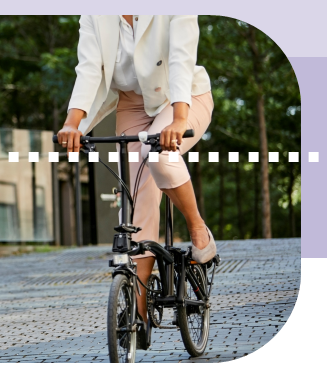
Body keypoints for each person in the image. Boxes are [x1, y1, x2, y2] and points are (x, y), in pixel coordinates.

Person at [59, 15, 218, 335]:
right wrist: (72, 123)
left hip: (183, 98)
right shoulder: (93, 14)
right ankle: (138, 310)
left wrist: (179, 116)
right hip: (132, 105)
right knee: (135, 204)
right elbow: (89, 68)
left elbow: (181, 58)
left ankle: (198, 227)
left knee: (158, 156)